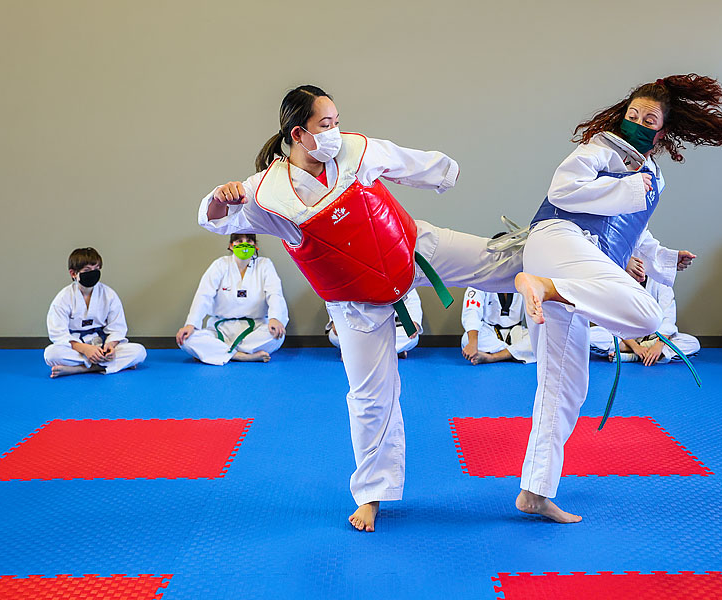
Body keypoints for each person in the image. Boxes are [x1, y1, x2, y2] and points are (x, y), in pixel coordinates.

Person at [197, 85, 521, 532]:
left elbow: (404, 160)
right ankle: (371, 495)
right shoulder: (266, 193)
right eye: (325, 125)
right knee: (370, 398)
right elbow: (214, 219)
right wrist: (221, 196)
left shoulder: (354, 150)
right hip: (353, 302)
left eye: (336, 121)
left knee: (497, 256)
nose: (335, 131)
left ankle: (573, 263)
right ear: (299, 133)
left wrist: (446, 172)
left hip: (410, 247)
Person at [513, 74, 722, 523]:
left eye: (649, 118)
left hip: (581, 262)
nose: (637, 122)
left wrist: (661, 257)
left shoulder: (650, 172)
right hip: (562, 240)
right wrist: (627, 186)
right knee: (646, 316)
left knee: (565, 385)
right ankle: (543, 285)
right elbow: (563, 191)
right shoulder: (603, 147)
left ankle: (535, 491)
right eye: (633, 114)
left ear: (664, 130)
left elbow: (632, 229)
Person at [176, 234, 288, 365]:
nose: (244, 244)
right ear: (231, 246)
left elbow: (275, 293)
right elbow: (203, 295)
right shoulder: (220, 265)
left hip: (255, 328)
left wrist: (275, 318)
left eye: (249, 241)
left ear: (255, 245)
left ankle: (215, 352)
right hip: (221, 328)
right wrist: (192, 324)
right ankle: (240, 355)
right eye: (239, 241)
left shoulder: (264, 264)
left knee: (276, 336)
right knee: (187, 339)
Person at [44, 247, 147, 377]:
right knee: (51, 354)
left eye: (96, 269)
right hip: (77, 347)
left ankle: (82, 369)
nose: (93, 273)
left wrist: (110, 346)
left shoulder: (108, 294)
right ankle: (106, 366)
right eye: (87, 270)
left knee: (139, 351)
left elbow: (117, 328)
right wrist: (86, 349)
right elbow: (59, 334)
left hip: (101, 345)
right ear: (73, 273)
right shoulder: (63, 298)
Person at [327, 288, 423, 358]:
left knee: (411, 338)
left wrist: (414, 323)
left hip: (391, 328)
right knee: (333, 336)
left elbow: (412, 302)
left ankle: (354, 354)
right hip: (357, 327)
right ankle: (393, 351)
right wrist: (335, 322)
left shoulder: (399, 278)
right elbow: (334, 302)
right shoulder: (348, 279)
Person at [460, 286, 534, 365]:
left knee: (539, 340)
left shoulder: (524, 282)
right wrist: (472, 343)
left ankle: (493, 357)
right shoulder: (479, 282)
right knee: (467, 339)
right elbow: (472, 311)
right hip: (490, 332)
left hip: (517, 332)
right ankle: (515, 353)